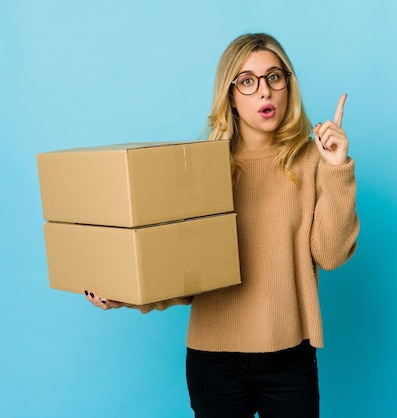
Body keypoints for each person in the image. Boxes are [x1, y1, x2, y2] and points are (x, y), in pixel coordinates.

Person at [86, 33, 359, 418]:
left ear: (288, 85)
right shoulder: (201, 169)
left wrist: (337, 170)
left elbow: (330, 255)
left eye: (274, 77)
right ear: (230, 94)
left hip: (289, 358)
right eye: (247, 81)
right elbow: (184, 270)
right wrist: (124, 295)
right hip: (214, 361)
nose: (264, 91)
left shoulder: (314, 161)